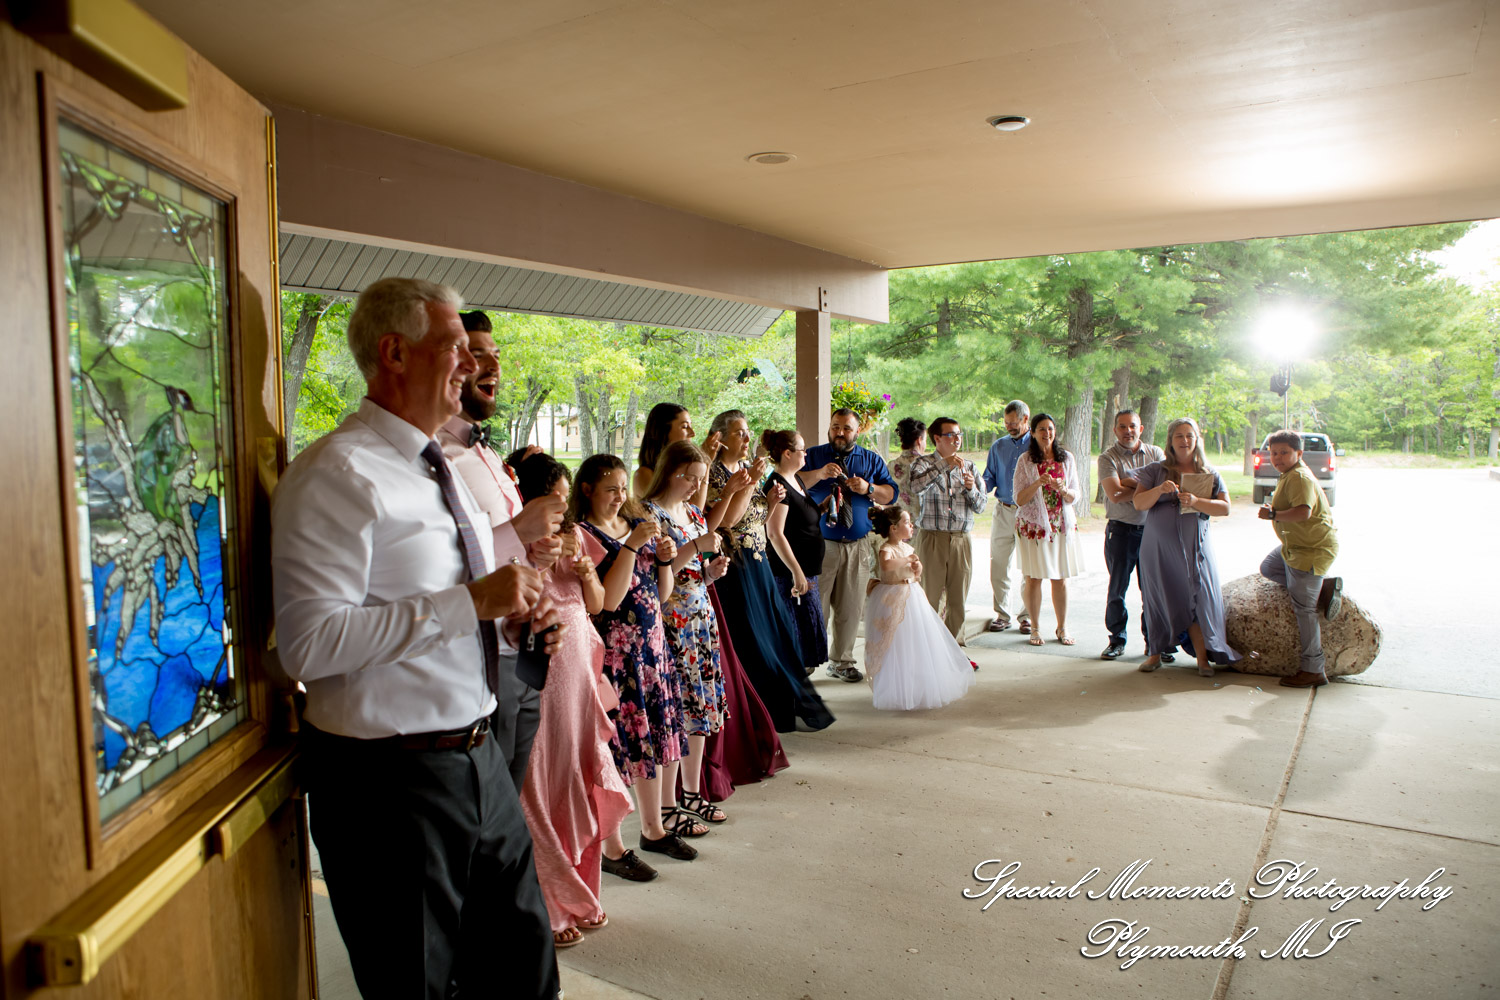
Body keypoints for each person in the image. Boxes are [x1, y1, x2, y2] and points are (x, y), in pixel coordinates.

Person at [271, 277, 561, 999]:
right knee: (416, 986)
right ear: (395, 353)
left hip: (479, 758)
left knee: (524, 973)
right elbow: (307, 644)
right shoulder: (336, 474)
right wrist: (468, 604)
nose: (474, 363)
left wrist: (514, 615)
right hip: (386, 786)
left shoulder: (444, 470)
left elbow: (454, 599)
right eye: (456, 346)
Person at [439, 309, 567, 789]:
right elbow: (447, 561)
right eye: (477, 354)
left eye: (496, 355)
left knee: (513, 801)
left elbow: (511, 552)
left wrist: (537, 552)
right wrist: (518, 528)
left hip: (523, 644)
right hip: (476, 659)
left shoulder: (488, 455)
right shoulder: (436, 458)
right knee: (485, 803)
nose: (491, 366)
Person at [509, 453, 633, 950]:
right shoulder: (513, 544)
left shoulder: (579, 537)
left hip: (581, 661)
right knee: (543, 776)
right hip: (543, 664)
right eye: (555, 502)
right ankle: (551, 899)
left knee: (580, 770)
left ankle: (581, 888)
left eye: (564, 504)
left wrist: (585, 572)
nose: (562, 513)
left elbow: (600, 603)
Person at [573, 454, 697, 875]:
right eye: (610, 489)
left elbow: (661, 594)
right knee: (619, 746)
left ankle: (654, 829)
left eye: (623, 488)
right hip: (615, 653)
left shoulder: (632, 524)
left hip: (652, 647)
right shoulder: (582, 534)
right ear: (587, 489)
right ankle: (612, 846)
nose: (619, 496)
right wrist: (630, 547)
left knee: (655, 736)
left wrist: (663, 558)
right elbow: (608, 599)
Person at [709, 410, 835, 732]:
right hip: (736, 566)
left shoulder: (742, 470)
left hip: (760, 560)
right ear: (721, 439)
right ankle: (758, 712)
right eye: (740, 433)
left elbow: (758, 524)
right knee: (753, 640)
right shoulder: (715, 475)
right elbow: (728, 523)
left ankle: (785, 708)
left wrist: (770, 501)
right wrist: (750, 485)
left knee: (780, 636)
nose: (748, 438)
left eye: (747, 431)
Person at [642, 440, 733, 824]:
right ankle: (666, 804)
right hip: (671, 620)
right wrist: (695, 546)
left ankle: (693, 793)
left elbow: (697, 573)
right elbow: (653, 575)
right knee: (675, 711)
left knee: (699, 707)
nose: (697, 487)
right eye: (691, 478)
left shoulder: (695, 513)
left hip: (700, 616)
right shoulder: (650, 515)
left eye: (700, 479)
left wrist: (712, 572)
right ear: (671, 472)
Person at [1133, 417, 1241, 676]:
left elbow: (1225, 507)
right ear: (1170, 440)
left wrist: (1196, 500)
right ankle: (1155, 653)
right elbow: (1138, 503)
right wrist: (1159, 490)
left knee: (1197, 598)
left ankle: (1202, 658)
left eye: (1189, 435)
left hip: (1196, 548)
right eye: (1179, 436)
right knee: (1158, 598)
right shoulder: (1155, 470)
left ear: (1197, 439)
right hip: (1158, 549)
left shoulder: (1209, 473)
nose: (1184, 440)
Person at [800, 408, 898, 681]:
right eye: (835, 427)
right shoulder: (812, 456)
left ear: (857, 431)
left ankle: (842, 662)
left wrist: (869, 489)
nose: (839, 433)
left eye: (846, 428)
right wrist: (819, 474)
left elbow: (890, 494)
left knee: (851, 606)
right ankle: (807, 659)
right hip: (821, 543)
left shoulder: (870, 460)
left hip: (857, 544)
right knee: (814, 604)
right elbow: (792, 482)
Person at [864, 508, 976, 711]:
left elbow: (917, 569)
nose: (911, 525)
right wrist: (907, 561)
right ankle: (895, 687)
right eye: (907, 522)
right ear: (894, 528)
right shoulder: (887, 548)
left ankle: (917, 684)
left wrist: (917, 569)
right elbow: (887, 566)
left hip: (912, 594)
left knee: (915, 640)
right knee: (894, 642)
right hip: (892, 597)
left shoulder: (908, 548)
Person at [1257, 430, 1343, 689]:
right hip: (1293, 547)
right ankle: (1322, 588)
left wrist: (1274, 515)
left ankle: (1314, 669)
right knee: (1269, 567)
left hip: (1311, 550)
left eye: (1284, 452)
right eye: (1273, 452)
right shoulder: (1288, 475)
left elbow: (1303, 513)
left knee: (1304, 610)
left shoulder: (1300, 478)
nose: (1278, 457)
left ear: (1299, 454)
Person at [1096, 409, 1169, 662]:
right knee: (1118, 590)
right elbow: (1114, 494)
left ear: (1142, 428)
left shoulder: (1157, 453)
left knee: (1153, 590)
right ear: (1115, 430)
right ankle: (1117, 640)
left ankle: (1155, 643)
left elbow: (1163, 488)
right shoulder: (1108, 458)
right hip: (1121, 531)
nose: (1128, 431)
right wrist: (1148, 488)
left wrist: (1128, 482)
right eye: (1122, 426)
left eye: (1132, 426)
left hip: (1152, 531)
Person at [907, 417, 986, 642]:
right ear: (937, 439)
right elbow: (916, 487)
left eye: (959, 434)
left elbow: (980, 506)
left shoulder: (970, 466)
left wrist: (971, 489)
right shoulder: (922, 464)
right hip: (932, 538)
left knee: (958, 600)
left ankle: (954, 649)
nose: (957, 439)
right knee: (928, 598)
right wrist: (945, 464)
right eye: (951, 435)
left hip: (961, 539)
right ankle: (929, 649)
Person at [1013, 413, 1084, 646]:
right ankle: (1034, 628)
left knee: (1060, 578)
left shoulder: (1067, 459)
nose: (1047, 433)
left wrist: (1063, 489)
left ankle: (1062, 628)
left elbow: (1076, 495)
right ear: (1032, 432)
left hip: (1061, 526)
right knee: (1033, 578)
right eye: (1042, 429)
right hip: (1034, 528)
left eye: (1051, 429)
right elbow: (1019, 499)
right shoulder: (1025, 460)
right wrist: (1038, 483)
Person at [762, 429, 829, 672]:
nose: (806, 454)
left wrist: (823, 507)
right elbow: (775, 534)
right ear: (787, 453)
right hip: (789, 572)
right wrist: (797, 572)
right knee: (796, 635)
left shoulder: (796, 479)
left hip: (807, 568)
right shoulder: (776, 486)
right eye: (802, 450)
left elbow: (802, 519)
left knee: (807, 634)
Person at [982, 400, 1033, 635]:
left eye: (1013, 423)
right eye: (1006, 423)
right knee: (999, 563)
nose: (1009, 427)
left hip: (1029, 512)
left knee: (1030, 566)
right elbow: (989, 478)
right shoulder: (998, 446)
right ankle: (1002, 614)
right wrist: (977, 488)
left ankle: (1027, 615)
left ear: (1025, 419)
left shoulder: (1037, 445)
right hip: (1003, 510)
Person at [634, 401, 721, 509]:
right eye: (685, 427)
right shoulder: (644, 475)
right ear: (662, 431)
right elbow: (691, 512)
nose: (692, 433)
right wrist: (704, 461)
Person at [887, 416, 927, 530]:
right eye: (925, 440)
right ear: (919, 440)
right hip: (921, 527)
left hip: (898, 526)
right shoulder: (926, 466)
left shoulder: (891, 466)